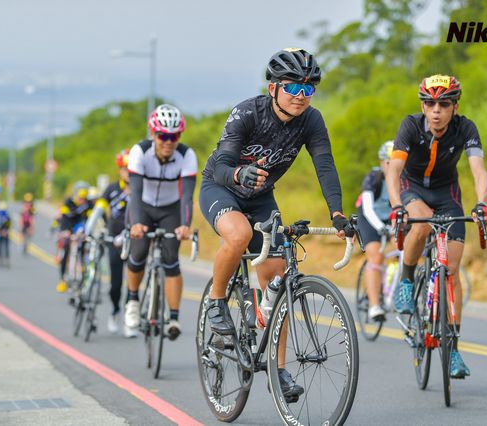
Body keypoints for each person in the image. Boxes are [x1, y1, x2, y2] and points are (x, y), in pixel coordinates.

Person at [198, 48, 354, 400]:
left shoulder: (311, 120)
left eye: (308, 89)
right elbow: (221, 164)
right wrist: (238, 173)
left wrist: (337, 214)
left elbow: (325, 165)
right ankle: (216, 301)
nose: (301, 96)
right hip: (221, 187)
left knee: (279, 279)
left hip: (261, 197)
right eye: (292, 88)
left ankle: (277, 369)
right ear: (273, 88)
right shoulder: (247, 113)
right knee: (239, 234)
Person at [386, 74, 487, 379]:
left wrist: (481, 203)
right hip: (413, 188)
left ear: (455, 106)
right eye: (430, 103)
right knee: (421, 226)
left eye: (444, 104)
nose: (436, 110)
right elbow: (394, 170)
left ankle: (453, 349)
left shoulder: (466, 128)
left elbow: (478, 170)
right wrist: (397, 206)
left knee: (453, 271)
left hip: (447, 195)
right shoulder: (410, 126)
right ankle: (407, 282)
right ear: (423, 106)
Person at [123, 104, 197, 340]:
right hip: (143, 206)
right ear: (153, 134)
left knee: (171, 258)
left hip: (170, 209)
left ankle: (173, 318)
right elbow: (135, 192)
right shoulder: (139, 151)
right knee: (139, 251)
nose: (168, 142)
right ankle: (132, 301)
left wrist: (185, 225)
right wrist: (136, 223)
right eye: (163, 136)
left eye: (174, 136)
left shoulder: (187, 155)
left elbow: (187, 196)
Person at [85, 149, 130, 334]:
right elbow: (98, 209)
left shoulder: (142, 188)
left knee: (134, 283)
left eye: (131, 168)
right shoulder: (112, 189)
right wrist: (89, 229)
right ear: (120, 170)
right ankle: (115, 310)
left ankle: (130, 318)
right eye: (125, 169)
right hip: (114, 240)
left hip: (134, 240)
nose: (128, 172)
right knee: (116, 284)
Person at [355, 141, 394, 322]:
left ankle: (393, 288)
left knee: (404, 249)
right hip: (369, 218)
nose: (392, 166)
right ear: (382, 162)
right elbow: (368, 208)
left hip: (389, 219)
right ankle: (374, 305)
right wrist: (381, 228)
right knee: (376, 256)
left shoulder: (404, 179)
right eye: (388, 162)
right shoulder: (374, 177)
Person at [55, 181, 92, 293]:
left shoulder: (89, 204)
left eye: (84, 198)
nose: (82, 201)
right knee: (66, 251)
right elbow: (65, 218)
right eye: (80, 198)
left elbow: (91, 218)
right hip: (68, 228)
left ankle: (84, 277)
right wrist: (65, 231)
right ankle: (63, 279)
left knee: (84, 251)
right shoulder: (68, 202)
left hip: (82, 231)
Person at [0, 201, 12, 268]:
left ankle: (5, 260)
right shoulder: (0, 215)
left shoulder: (4, 216)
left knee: (5, 247)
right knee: (2, 247)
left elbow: (9, 224)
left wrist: (6, 231)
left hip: (4, 232)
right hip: (1, 233)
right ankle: (3, 260)